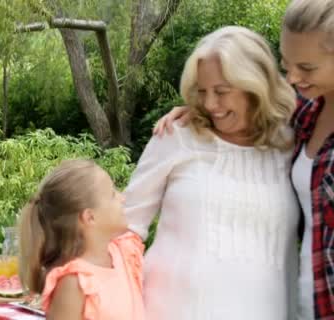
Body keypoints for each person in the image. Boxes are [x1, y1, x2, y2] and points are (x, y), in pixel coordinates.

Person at [153, 2, 334, 318]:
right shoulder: (306, 113)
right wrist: (198, 112)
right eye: (286, 62)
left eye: (306, 68)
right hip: (307, 303)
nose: (291, 77)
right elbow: (256, 108)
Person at [124, 26, 299, 320]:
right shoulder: (177, 134)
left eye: (221, 92)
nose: (209, 105)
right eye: (203, 92)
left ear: (255, 86)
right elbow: (125, 227)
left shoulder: (291, 144)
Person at [18, 159, 145, 320]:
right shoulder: (74, 283)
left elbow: (153, 183)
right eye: (113, 194)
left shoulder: (124, 253)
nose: (123, 198)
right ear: (90, 217)